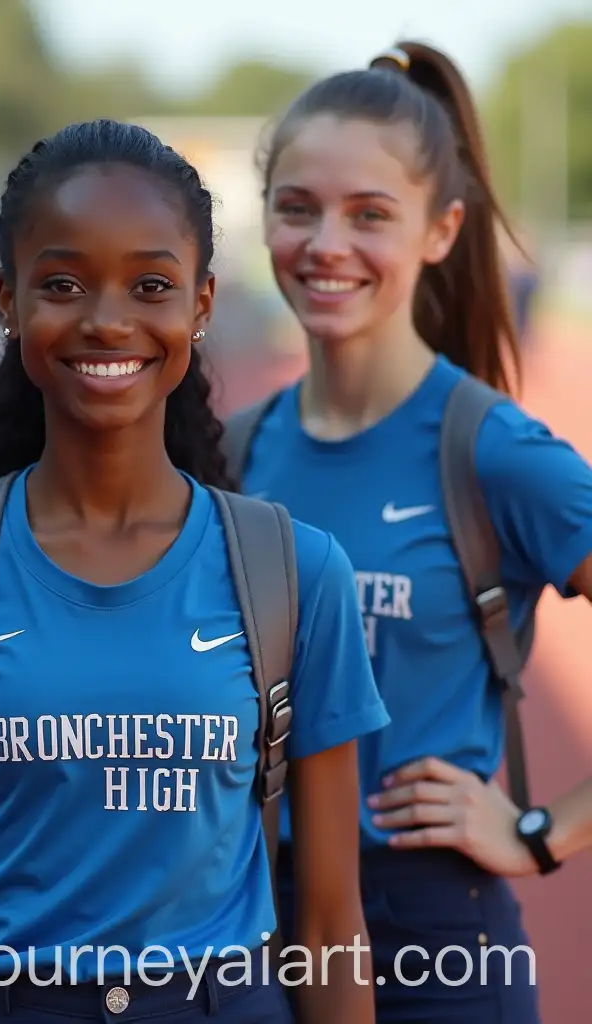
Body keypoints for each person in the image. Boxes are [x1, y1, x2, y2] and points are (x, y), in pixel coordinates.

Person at [0, 118, 390, 1024]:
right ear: (9, 301)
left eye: (152, 284)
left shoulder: (296, 572)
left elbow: (329, 922)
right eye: (63, 283)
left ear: (202, 304)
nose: (107, 319)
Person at [229, 41, 592, 1023]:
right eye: (297, 207)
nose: (325, 243)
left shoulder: (495, 453)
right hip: (247, 921)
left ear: (440, 231)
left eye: (369, 215)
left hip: (431, 930)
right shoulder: (231, 452)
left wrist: (542, 830)